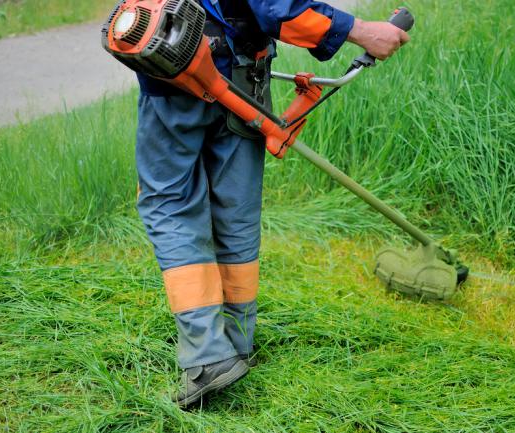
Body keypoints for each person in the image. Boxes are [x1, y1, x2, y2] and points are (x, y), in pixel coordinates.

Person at [135, 0, 409, 407]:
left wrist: (357, 29)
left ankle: (211, 356)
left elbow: (279, 8)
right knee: (234, 208)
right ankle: (235, 342)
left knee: (172, 204)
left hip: (181, 74)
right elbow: (279, 8)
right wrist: (361, 30)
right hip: (241, 75)